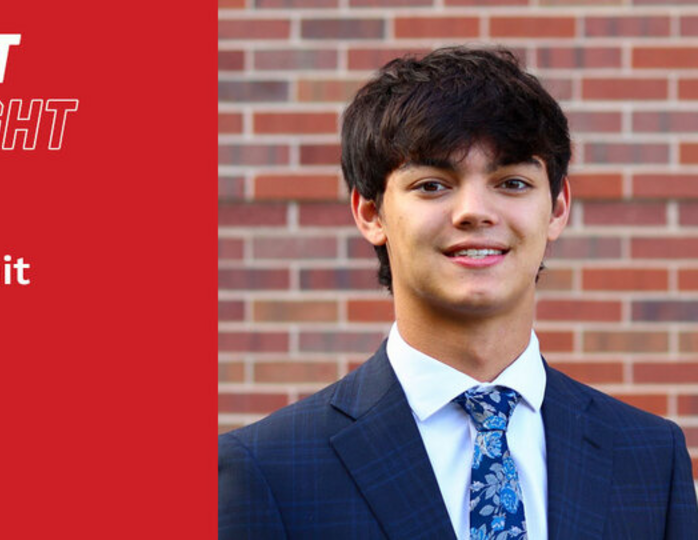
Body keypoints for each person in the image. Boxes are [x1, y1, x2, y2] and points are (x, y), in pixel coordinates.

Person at [218, 46, 698, 539]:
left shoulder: (648, 457)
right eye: (432, 185)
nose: (474, 211)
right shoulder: (267, 469)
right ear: (370, 213)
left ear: (556, 209)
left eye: (511, 183)